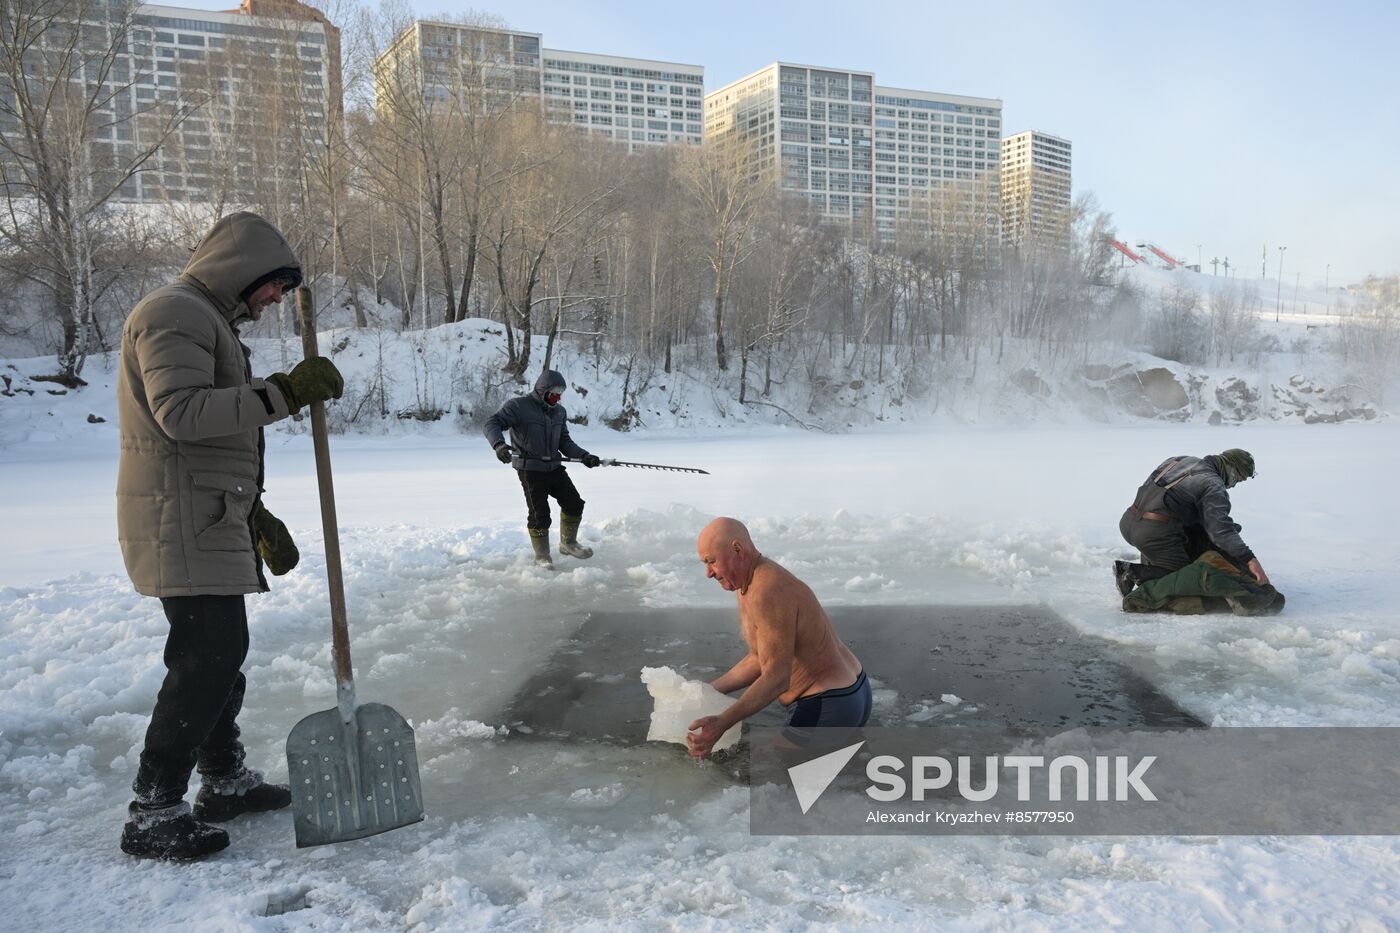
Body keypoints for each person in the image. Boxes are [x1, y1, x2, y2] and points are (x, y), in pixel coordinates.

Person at [116, 211, 344, 860]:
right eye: (273, 284)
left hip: (210, 514)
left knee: (219, 653)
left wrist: (256, 514)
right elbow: (181, 414)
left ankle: (223, 778)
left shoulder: (205, 319)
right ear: (243, 270)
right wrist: (284, 393)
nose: (276, 299)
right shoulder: (174, 313)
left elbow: (213, 441)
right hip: (178, 519)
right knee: (207, 654)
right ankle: (153, 809)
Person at [687, 518, 870, 759]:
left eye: (712, 561)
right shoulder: (750, 582)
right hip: (853, 691)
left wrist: (722, 723)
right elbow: (759, 657)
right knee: (832, 770)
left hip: (826, 704)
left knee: (779, 777)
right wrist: (710, 689)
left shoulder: (767, 589)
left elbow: (777, 677)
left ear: (738, 550)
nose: (708, 573)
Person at [484, 369, 601, 567]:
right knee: (540, 515)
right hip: (530, 470)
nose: (557, 397)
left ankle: (568, 543)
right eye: (554, 392)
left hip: (554, 467)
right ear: (542, 390)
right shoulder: (518, 406)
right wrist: (499, 445)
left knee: (574, 504)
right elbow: (492, 422)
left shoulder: (559, 412)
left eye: (560, 393)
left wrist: (584, 456)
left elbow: (564, 442)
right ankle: (542, 556)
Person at [1116, 448, 1266, 597]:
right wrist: (1249, 559)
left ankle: (1152, 561)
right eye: (1238, 478)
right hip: (1153, 534)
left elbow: (1172, 500)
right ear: (1230, 468)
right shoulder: (1213, 484)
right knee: (1187, 579)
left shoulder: (1180, 460)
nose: (1234, 484)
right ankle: (1132, 572)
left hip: (1129, 521)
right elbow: (1221, 532)